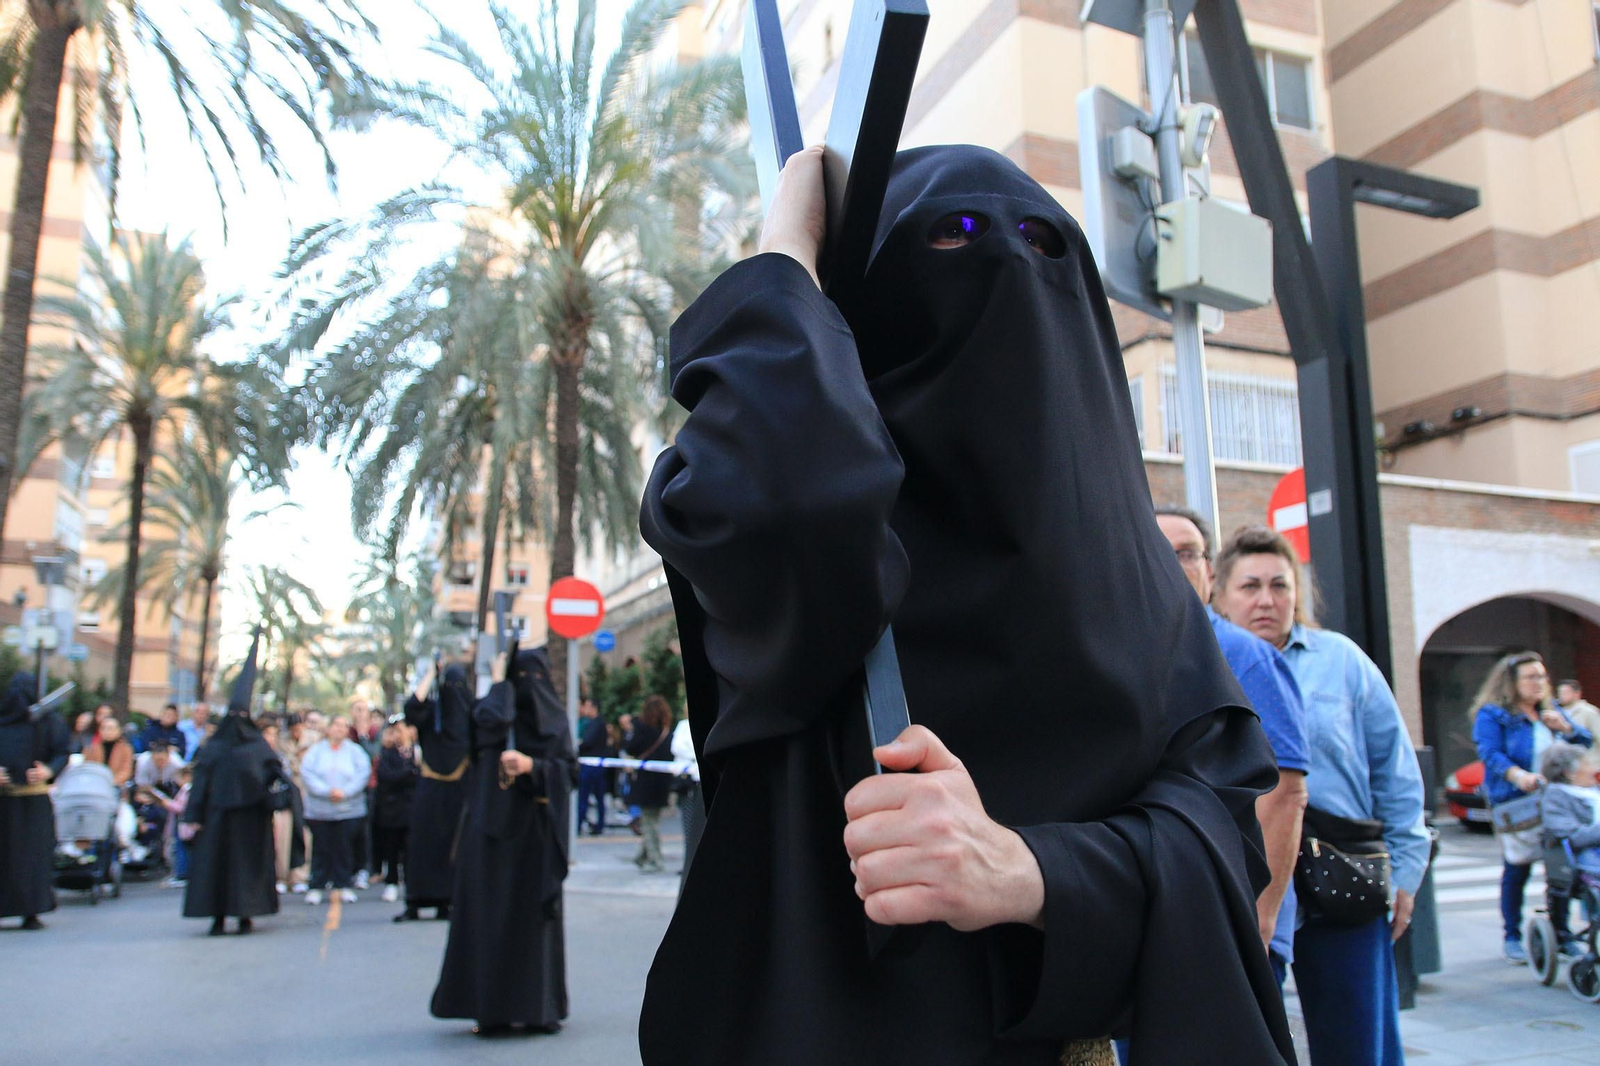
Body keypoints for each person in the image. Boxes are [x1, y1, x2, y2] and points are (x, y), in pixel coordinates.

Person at [636, 144, 1293, 1064]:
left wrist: (1029, 872)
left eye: (1041, 241)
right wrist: (786, 252)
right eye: (955, 235)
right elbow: (785, 494)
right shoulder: (825, 541)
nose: (1005, 265)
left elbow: (1221, 835)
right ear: (863, 300)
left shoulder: (1137, 574)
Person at [1213, 524, 1428, 1066]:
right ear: (1220, 592)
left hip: (1342, 876)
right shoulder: (1207, 665)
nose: (1267, 599)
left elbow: (1395, 771)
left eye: (1280, 585)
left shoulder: (1342, 661)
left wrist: (1405, 870)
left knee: (1361, 1043)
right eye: (1250, 585)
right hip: (1252, 883)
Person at [1155, 506, 1310, 990]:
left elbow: (1285, 793)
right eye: (1158, 550)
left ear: (1210, 572)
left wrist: (1260, 922)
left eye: (1186, 553)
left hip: (1234, 921)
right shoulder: (1143, 652)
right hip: (1168, 915)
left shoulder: (1244, 655)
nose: (1172, 564)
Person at [431, 645, 576, 1037]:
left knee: (534, 927)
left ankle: (539, 1009)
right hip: (491, 835)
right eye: (519, 680)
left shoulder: (555, 721)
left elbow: (568, 771)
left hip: (535, 835)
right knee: (489, 918)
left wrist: (534, 766)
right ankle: (490, 1010)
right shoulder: (492, 714)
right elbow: (485, 725)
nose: (530, 688)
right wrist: (497, 685)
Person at [1471, 650, 1593, 962]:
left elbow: (1584, 742)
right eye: (1531, 676)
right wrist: (1518, 775)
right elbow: (1490, 752)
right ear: (1511, 682)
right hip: (1517, 801)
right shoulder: (1494, 714)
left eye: (1542, 676)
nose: (1540, 682)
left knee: (1561, 868)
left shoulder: (1549, 711)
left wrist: (1567, 728)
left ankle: (1562, 935)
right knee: (1518, 867)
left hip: (1555, 802)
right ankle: (1512, 935)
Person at [181, 636, 285, 935]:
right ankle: (219, 917)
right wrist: (194, 816)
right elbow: (200, 783)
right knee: (219, 869)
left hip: (247, 821)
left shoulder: (253, 749)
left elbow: (276, 778)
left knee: (242, 870)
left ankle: (245, 915)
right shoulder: (219, 748)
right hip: (219, 821)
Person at [399, 661, 473, 922]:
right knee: (421, 845)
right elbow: (411, 708)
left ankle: (446, 901)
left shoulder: (471, 714)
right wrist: (430, 673)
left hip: (456, 793)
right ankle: (415, 901)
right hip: (434, 790)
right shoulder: (433, 713)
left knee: (451, 848)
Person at [0, 674, 71, 930]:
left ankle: (31, 910)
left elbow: (62, 753)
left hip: (33, 801)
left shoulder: (49, 722)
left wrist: (48, 771)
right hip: (3, 802)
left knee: (32, 859)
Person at [299, 714, 371, 905]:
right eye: (337, 725)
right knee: (321, 848)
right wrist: (326, 791)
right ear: (329, 728)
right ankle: (317, 885)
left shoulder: (355, 752)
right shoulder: (315, 751)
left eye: (344, 726)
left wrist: (345, 792)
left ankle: (344, 884)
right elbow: (307, 773)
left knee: (344, 848)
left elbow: (362, 773)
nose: (340, 729)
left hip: (349, 809)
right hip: (320, 810)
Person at [624, 695, 673, 873]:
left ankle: (655, 859)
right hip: (662, 781)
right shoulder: (667, 731)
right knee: (651, 819)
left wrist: (632, 728)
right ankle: (642, 856)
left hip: (646, 781)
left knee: (649, 822)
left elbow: (630, 748)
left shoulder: (642, 729)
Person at [1540, 742, 1600, 877]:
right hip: (1586, 855)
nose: (1594, 769)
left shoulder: (1592, 791)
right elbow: (1571, 836)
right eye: (1587, 764)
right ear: (1569, 773)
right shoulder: (1556, 796)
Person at [374, 722, 418, 904]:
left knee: (410, 848)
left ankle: (411, 884)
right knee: (391, 846)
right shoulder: (387, 754)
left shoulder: (417, 752)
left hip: (412, 808)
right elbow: (386, 777)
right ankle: (391, 881)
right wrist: (408, 773)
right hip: (391, 809)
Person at [575, 697, 609, 835]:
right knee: (597, 797)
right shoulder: (595, 723)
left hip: (592, 765)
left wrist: (579, 744)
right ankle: (598, 824)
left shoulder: (597, 723)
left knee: (585, 795)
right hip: (595, 765)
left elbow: (588, 742)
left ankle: (579, 824)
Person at [84, 716, 135, 788]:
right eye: (104, 728)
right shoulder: (91, 748)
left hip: (116, 785)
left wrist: (112, 782)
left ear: (118, 730)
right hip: (95, 784)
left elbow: (126, 771)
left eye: (111, 728)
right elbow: (87, 768)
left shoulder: (126, 749)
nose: (107, 731)